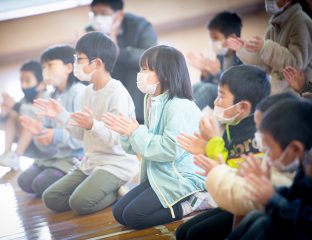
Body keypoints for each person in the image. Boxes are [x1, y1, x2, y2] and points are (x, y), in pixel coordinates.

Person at [102, 45, 207, 230]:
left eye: (145, 69)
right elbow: (140, 146)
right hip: (158, 174)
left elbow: (169, 150)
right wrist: (126, 132)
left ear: (165, 74)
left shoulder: (179, 106)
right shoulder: (151, 100)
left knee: (134, 216)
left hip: (180, 177)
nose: (140, 74)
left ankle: (191, 204)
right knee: (119, 212)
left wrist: (135, 132)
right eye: (140, 69)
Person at [37, 32, 139, 215]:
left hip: (116, 164)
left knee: (79, 203)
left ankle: (115, 192)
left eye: (80, 59)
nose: (76, 64)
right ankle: (99, 188)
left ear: (98, 63)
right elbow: (79, 134)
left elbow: (117, 140)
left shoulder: (117, 93)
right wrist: (60, 114)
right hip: (91, 162)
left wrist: (93, 125)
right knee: (51, 197)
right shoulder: (87, 92)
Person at [175, 64, 271, 239]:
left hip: (246, 205)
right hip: (229, 196)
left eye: (221, 96)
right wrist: (205, 149)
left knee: (194, 235)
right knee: (183, 232)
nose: (215, 102)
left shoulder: (253, 135)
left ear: (242, 107)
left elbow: (233, 175)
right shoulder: (234, 124)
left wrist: (213, 142)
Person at [228, 98, 312, 240]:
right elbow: (294, 196)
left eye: (270, 148)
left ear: (295, 149)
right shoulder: (305, 165)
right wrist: (267, 187)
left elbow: (307, 220)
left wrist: (272, 198)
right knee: (256, 217)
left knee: (266, 225)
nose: (267, 154)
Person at [18, 45, 85, 197]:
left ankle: (84, 180)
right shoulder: (52, 95)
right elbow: (47, 135)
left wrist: (55, 136)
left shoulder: (79, 93)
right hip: (59, 155)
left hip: (79, 156)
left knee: (40, 184)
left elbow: (83, 137)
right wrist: (39, 132)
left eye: (50, 65)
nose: (45, 71)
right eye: (43, 67)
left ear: (69, 67)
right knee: (24, 181)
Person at [86, 0, 157, 124]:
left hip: (137, 97)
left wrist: (119, 52)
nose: (98, 19)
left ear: (119, 15)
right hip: (108, 101)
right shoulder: (91, 31)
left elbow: (151, 57)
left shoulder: (139, 25)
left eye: (103, 13)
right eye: (94, 13)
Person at [227, 0, 312, 94]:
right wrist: (243, 49)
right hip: (278, 94)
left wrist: (265, 48)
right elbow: (265, 66)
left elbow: (296, 66)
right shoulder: (272, 27)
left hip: (298, 98)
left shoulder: (301, 21)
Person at [0, 60, 47, 171]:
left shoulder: (48, 98)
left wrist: (16, 106)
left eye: (27, 81)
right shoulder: (25, 100)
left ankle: (16, 155)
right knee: (13, 114)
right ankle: (7, 154)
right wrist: (4, 114)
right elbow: (0, 127)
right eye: (21, 80)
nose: (23, 85)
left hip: (45, 148)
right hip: (29, 146)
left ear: (41, 84)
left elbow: (36, 115)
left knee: (28, 119)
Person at [188, 11, 242, 110]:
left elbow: (235, 86)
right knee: (196, 86)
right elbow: (214, 82)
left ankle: (184, 117)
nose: (213, 42)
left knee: (207, 90)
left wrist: (217, 73)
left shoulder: (242, 58)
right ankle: (176, 112)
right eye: (211, 39)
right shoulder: (221, 56)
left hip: (235, 97)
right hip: (221, 92)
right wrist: (206, 73)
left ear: (232, 38)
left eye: (216, 38)